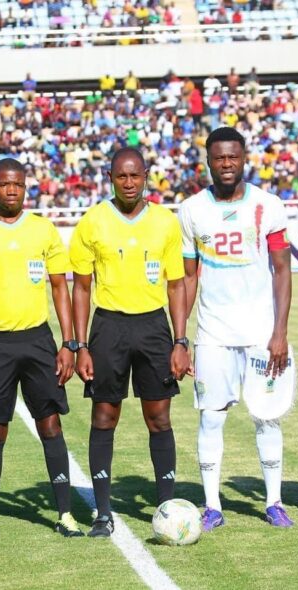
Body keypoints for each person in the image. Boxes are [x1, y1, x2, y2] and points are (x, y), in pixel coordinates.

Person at [0, 158, 83, 542]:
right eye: (4, 184)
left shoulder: (43, 229)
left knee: (50, 425)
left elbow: (60, 287)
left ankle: (65, 515)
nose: (11, 190)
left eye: (17, 184)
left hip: (39, 342)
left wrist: (69, 343)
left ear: (25, 186)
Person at [70, 147, 190, 538]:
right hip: (108, 328)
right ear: (110, 178)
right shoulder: (92, 221)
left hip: (154, 328)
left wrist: (180, 340)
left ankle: (167, 508)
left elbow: (177, 286)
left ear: (146, 175)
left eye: (135, 175)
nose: (128, 182)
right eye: (121, 176)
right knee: (104, 416)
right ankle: (103, 513)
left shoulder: (166, 222)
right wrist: (81, 346)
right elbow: (81, 288)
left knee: (159, 418)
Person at [179, 127, 293, 531]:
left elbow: (283, 271)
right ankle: (212, 506)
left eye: (233, 156)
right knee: (211, 418)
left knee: (267, 417)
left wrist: (279, 333)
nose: (226, 164)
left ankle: (274, 502)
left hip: (262, 334)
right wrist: (181, 338)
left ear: (244, 159)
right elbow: (188, 277)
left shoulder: (268, 205)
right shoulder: (191, 209)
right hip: (213, 334)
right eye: (219, 158)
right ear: (208, 161)